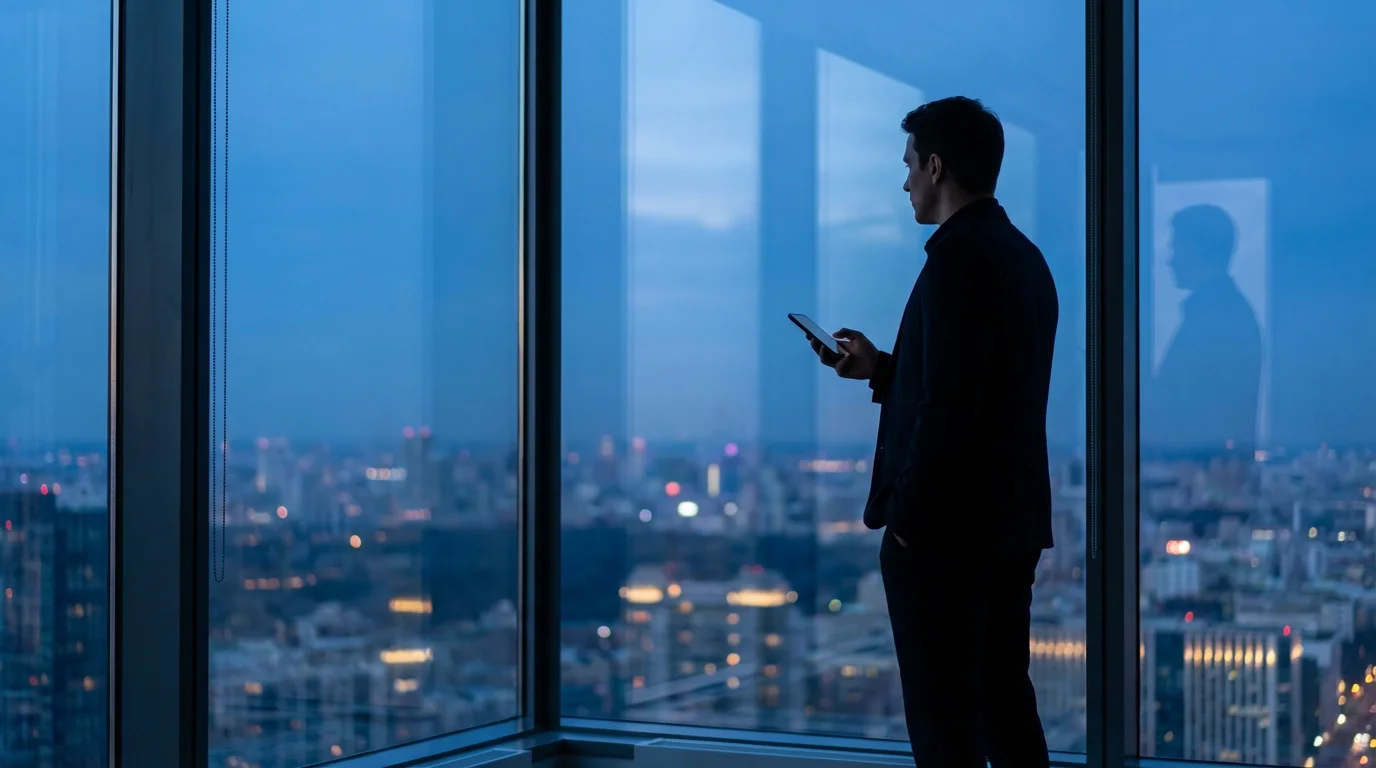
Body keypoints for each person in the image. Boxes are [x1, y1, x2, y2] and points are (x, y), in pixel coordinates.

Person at [806, 96, 1059, 767]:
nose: (905, 182)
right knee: (1003, 704)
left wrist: (909, 523)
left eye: (910, 166)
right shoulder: (1023, 259)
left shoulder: (957, 262)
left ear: (937, 166)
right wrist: (880, 369)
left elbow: (946, 408)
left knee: (943, 724)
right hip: (1008, 524)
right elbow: (981, 390)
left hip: (948, 537)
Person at [1142, 203, 1262, 454]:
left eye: (1176, 247)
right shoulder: (1225, 314)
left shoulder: (1218, 319)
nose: (1170, 260)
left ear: (1198, 249)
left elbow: (1191, 408)